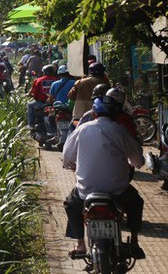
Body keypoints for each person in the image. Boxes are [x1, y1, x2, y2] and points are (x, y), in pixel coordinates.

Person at [62, 88, 145, 259]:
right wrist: (132, 162)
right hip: (117, 191)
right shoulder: (121, 130)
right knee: (136, 202)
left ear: (95, 113)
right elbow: (138, 161)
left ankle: (80, 244)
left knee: (70, 204)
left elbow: (67, 156)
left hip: (85, 191)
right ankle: (135, 242)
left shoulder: (82, 128)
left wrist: (70, 164)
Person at [26, 64, 58, 129]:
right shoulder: (57, 80)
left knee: (30, 105)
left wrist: (28, 94)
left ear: (44, 72)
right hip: (54, 103)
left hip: (41, 103)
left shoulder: (38, 80)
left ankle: (31, 125)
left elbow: (33, 92)